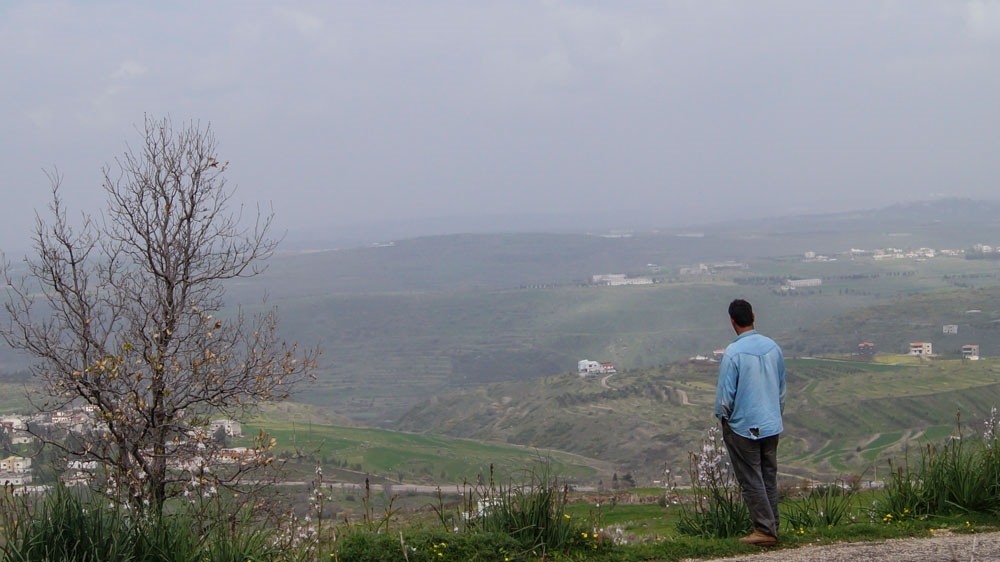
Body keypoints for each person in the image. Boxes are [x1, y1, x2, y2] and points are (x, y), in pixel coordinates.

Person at [714, 299, 786, 546]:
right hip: (771, 423)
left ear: (732, 322)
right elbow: (781, 390)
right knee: (768, 477)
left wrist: (724, 420)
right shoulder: (773, 348)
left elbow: (725, 396)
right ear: (753, 316)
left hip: (744, 427)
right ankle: (772, 526)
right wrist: (775, 415)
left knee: (751, 478)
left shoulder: (733, 353)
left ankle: (764, 530)